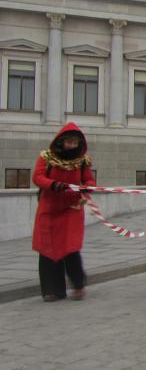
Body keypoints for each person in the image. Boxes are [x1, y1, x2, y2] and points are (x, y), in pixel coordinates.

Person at [32, 123, 95, 302]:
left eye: (75, 142)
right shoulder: (46, 158)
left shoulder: (83, 162)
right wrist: (53, 185)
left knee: (71, 248)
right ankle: (52, 290)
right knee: (47, 249)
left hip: (71, 209)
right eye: (69, 142)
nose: (72, 146)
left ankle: (78, 284)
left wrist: (88, 187)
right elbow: (37, 177)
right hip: (49, 209)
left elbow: (89, 180)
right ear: (61, 141)